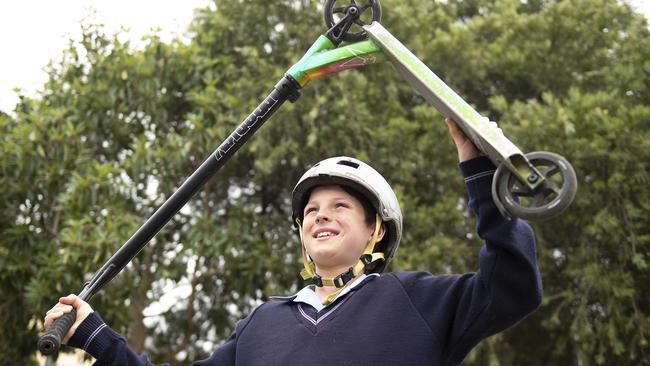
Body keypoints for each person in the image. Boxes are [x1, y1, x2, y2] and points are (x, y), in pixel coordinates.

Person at [44, 118, 542, 365]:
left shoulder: (418, 301)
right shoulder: (261, 324)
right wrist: (95, 337)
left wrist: (481, 172)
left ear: (377, 229)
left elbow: (514, 285)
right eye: (311, 211)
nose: (321, 216)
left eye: (340, 206)